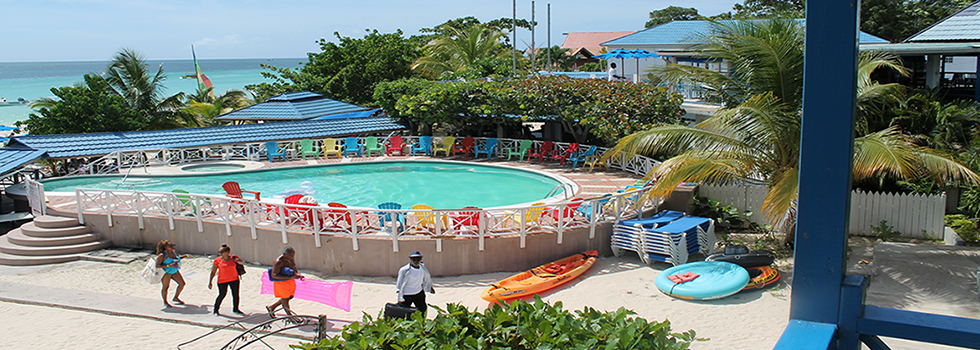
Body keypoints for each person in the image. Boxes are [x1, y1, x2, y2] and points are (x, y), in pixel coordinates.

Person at [266, 246, 304, 317]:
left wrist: (297, 275)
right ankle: (290, 316)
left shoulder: (290, 259)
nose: (292, 257)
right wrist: (291, 277)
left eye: (293, 256)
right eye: (290, 256)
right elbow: (274, 275)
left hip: (290, 281)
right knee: (285, 300)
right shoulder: (278, 262)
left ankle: (271, 307)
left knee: (290, 297)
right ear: (284, 254)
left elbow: (293, 267)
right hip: (281, 283)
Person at [208, 244, 244, 315]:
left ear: (227, 252)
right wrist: (210, 282)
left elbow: (241, 262)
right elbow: (213, 272)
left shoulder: (233, 258)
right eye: (219, 252)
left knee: (235, 294)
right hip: (222, 280)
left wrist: (238, 261)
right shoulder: (217, 260)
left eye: (221, 252)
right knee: (222, 294)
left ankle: (236, 309)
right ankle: (216, 309)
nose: (220, 254)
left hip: (234, 279)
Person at [396, 251, 435, 315]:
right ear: (410, 259)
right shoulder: (404, 270)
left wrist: (430, 288)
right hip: (407, 294)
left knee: (422, 309)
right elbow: (399, 282)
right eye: (414, 259)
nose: (416, 261)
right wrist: (399, 292)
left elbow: (426, 279)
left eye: (418, 259)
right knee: (405, 312)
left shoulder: (423, 269)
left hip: (418, 293)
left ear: (421, 259)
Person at [155, 240, 188, 308]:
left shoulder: (174, 252)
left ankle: (175, 297)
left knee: (182, 284)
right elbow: (157, 266)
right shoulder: (162, 255)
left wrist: (185, 256)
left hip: (175, 271)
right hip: (166, 273)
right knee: (166, 287)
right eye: (170, 246)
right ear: (165, 247)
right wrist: (169, 265)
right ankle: (165, 302)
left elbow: (178, 258)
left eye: (173, 245)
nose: (172, 247)